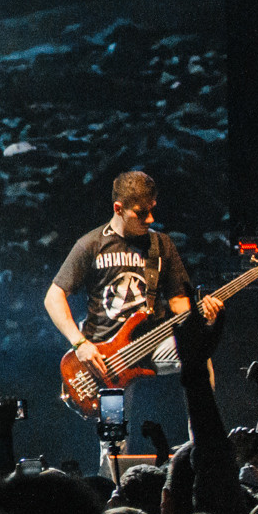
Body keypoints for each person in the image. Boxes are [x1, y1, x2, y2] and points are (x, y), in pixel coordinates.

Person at [43, 170, 222, 434]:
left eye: (152, 210)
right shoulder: (90, 245)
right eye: (141, 213)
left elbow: (178, 302)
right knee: (113, 440)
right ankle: (112, 475)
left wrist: (201, 317)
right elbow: (53, 297)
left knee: (198, 351)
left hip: (151, 343)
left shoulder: (161, 245)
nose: (150, 219)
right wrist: (80, 343)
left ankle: (202, 442)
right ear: (119, 208)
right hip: (105, 359)